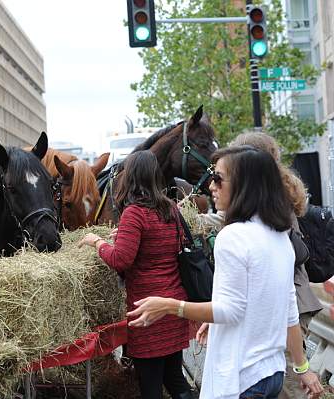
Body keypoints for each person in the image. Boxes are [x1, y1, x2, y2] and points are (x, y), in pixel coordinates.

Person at [128, 146, 323, 399]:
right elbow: (287, 312)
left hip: (242, 379)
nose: (211, 186)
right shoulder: (279, 237)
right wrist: (303, 368)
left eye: (218, 178)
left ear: (244, 185)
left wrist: (170, 306)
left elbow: (230, 310)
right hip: (271, 374)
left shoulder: (233, 236)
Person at [78, 150, 194, 399]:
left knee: (150, 387)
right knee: (175, 380)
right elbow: (167, 245)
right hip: (173, 308)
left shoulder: (134, 213)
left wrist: (97, 242)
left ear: (129, 177)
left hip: (148, 313)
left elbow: (120, 259)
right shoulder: (171, 209)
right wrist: (124, 236)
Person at [230, 132, 322, 399]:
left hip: (290, 301)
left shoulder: (272, 197)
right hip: (291, 299)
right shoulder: (275, 191)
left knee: (289, 381)